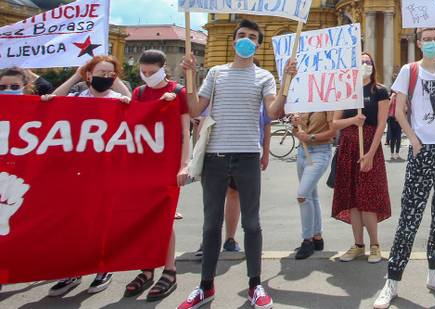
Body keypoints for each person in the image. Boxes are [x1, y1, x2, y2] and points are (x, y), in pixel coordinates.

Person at [177, 19, 287, 309]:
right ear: (234, 39)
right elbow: (193, 109)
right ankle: (205, 286)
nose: (246, 39)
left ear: (259, 45)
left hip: (248, 156)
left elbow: (273, 112)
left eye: (252, 36)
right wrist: (189, 76)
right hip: (215, 156)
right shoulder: (216, 73)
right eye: (242, 35)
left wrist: (287, 81)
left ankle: (255, 285)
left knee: (252, 225)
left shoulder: (264, 77)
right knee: (211, 225)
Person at [373, 27, 435, 309]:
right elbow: (398, 110)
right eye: (426, 38)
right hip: (423, 148)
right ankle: (392, 280)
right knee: (410, 216)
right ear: (418, 43)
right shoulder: (409, 70)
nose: (431, 42)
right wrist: (413, 140)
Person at [43, 55, 132, 297]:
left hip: (107, 171)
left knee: (102, 220)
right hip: (76, 171)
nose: (105, 77)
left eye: (109, 73)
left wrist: (117, 83)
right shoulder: (77, 98)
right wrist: (76, 75)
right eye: (99, 72)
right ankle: (73, 270)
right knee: (74, 222)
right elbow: (51, 100)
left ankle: (103, 267)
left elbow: (135, 107)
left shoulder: (118, 100)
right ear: (89, 75)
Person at [121, 50, 192, 301]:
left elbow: (186, 131)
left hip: (167, 165)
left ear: (163, 69)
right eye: (144, 72)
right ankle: (147, 268)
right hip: (143, 165)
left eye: (152, 72)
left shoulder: (179, 92)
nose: (147, 76)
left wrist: (185, 165)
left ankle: (169, 270)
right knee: (145, 217)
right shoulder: (139, 93)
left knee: (165, 218)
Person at [332, 53, 392, 264]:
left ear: (373, 66)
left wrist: (370, 154)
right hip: (348, 146)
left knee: (367, 199)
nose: (365, 64)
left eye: (368, 61)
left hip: (369, 146)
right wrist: (353, 119)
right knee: (353, 200)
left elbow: (382, 125)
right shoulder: (347, 92)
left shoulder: (381, 91)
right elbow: (334, 123)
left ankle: (375, 244)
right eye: (361, 62)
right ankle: (358, 245)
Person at [292, 110, 336, 260]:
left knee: (302, 195)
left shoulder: (327, 104)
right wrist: (296, 125)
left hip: (321, 151)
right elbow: (297, 132)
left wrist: (310, 136)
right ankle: (317, 237)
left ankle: (307, 239)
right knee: (311, 195)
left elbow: (333, 132)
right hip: (302, 151)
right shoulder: (303, 103)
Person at [385, 91, 403, 160]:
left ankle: (397, 154)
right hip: (391, 118)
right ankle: (392, 154)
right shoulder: (390, 97)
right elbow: (387, 107)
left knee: (398, 137)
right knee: (393, 137)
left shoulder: (400, 98)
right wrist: (392, 98)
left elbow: (404, 107)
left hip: (399, 118)